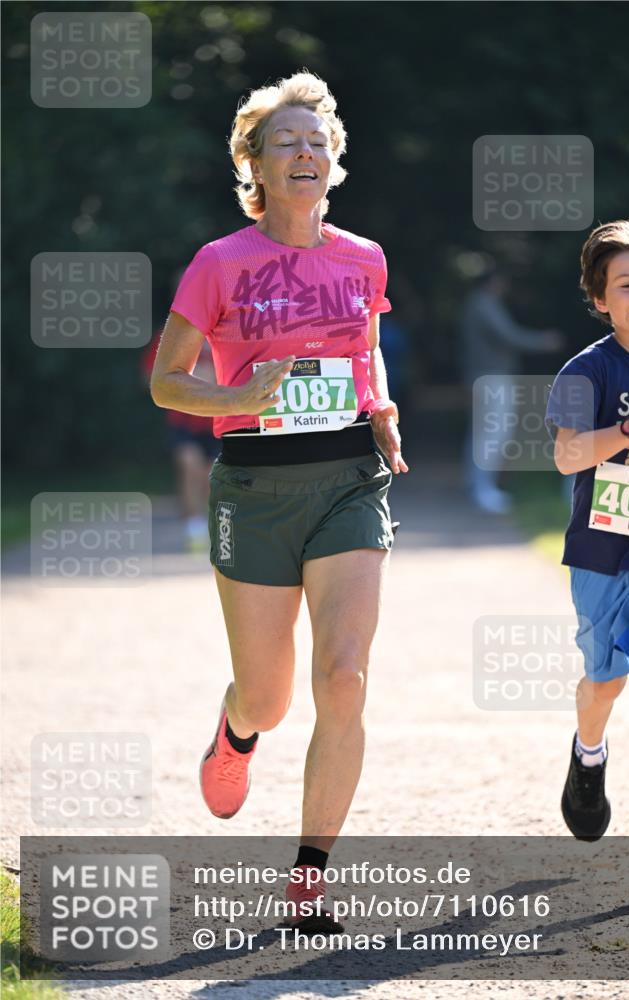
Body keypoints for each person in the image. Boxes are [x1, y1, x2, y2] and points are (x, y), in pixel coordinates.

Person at [150, 72, 408, 928]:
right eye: (285, 142)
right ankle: (236, 729)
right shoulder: (220, 263)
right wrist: (237, 399)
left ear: (334, 160)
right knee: (269, 695)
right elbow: (166, 382)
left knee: (344, 676)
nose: (305, 152)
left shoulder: (362, 256)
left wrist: (381, 408)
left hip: (347, 481)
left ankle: (309, 876)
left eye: (317, 141)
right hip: (254, 487)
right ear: (253, 163)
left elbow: (365, 352)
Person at [545, 218, 629, 878]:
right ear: (599, 299)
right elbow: (567, 457)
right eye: (626, 284)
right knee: (604, 682)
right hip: (599, 551)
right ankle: (587, 754)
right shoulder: (582, 371)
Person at [460, 262, 562, 514]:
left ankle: (478, 486)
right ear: (493, 282)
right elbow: (509, 336)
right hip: (492, 378)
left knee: (482, 432)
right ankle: (483, 490)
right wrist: (544, 341)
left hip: (485, 377)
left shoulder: (477, 303)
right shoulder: (484, 304)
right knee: (494, 432)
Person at [142, 332, 218, 551]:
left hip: (217, 419)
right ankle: (194, 529)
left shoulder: (227, 332)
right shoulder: (172, 334)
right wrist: (186, 379)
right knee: (189, 464)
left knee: (211, 474)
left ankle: (209, 523)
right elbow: (149, 375)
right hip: (183, 418)